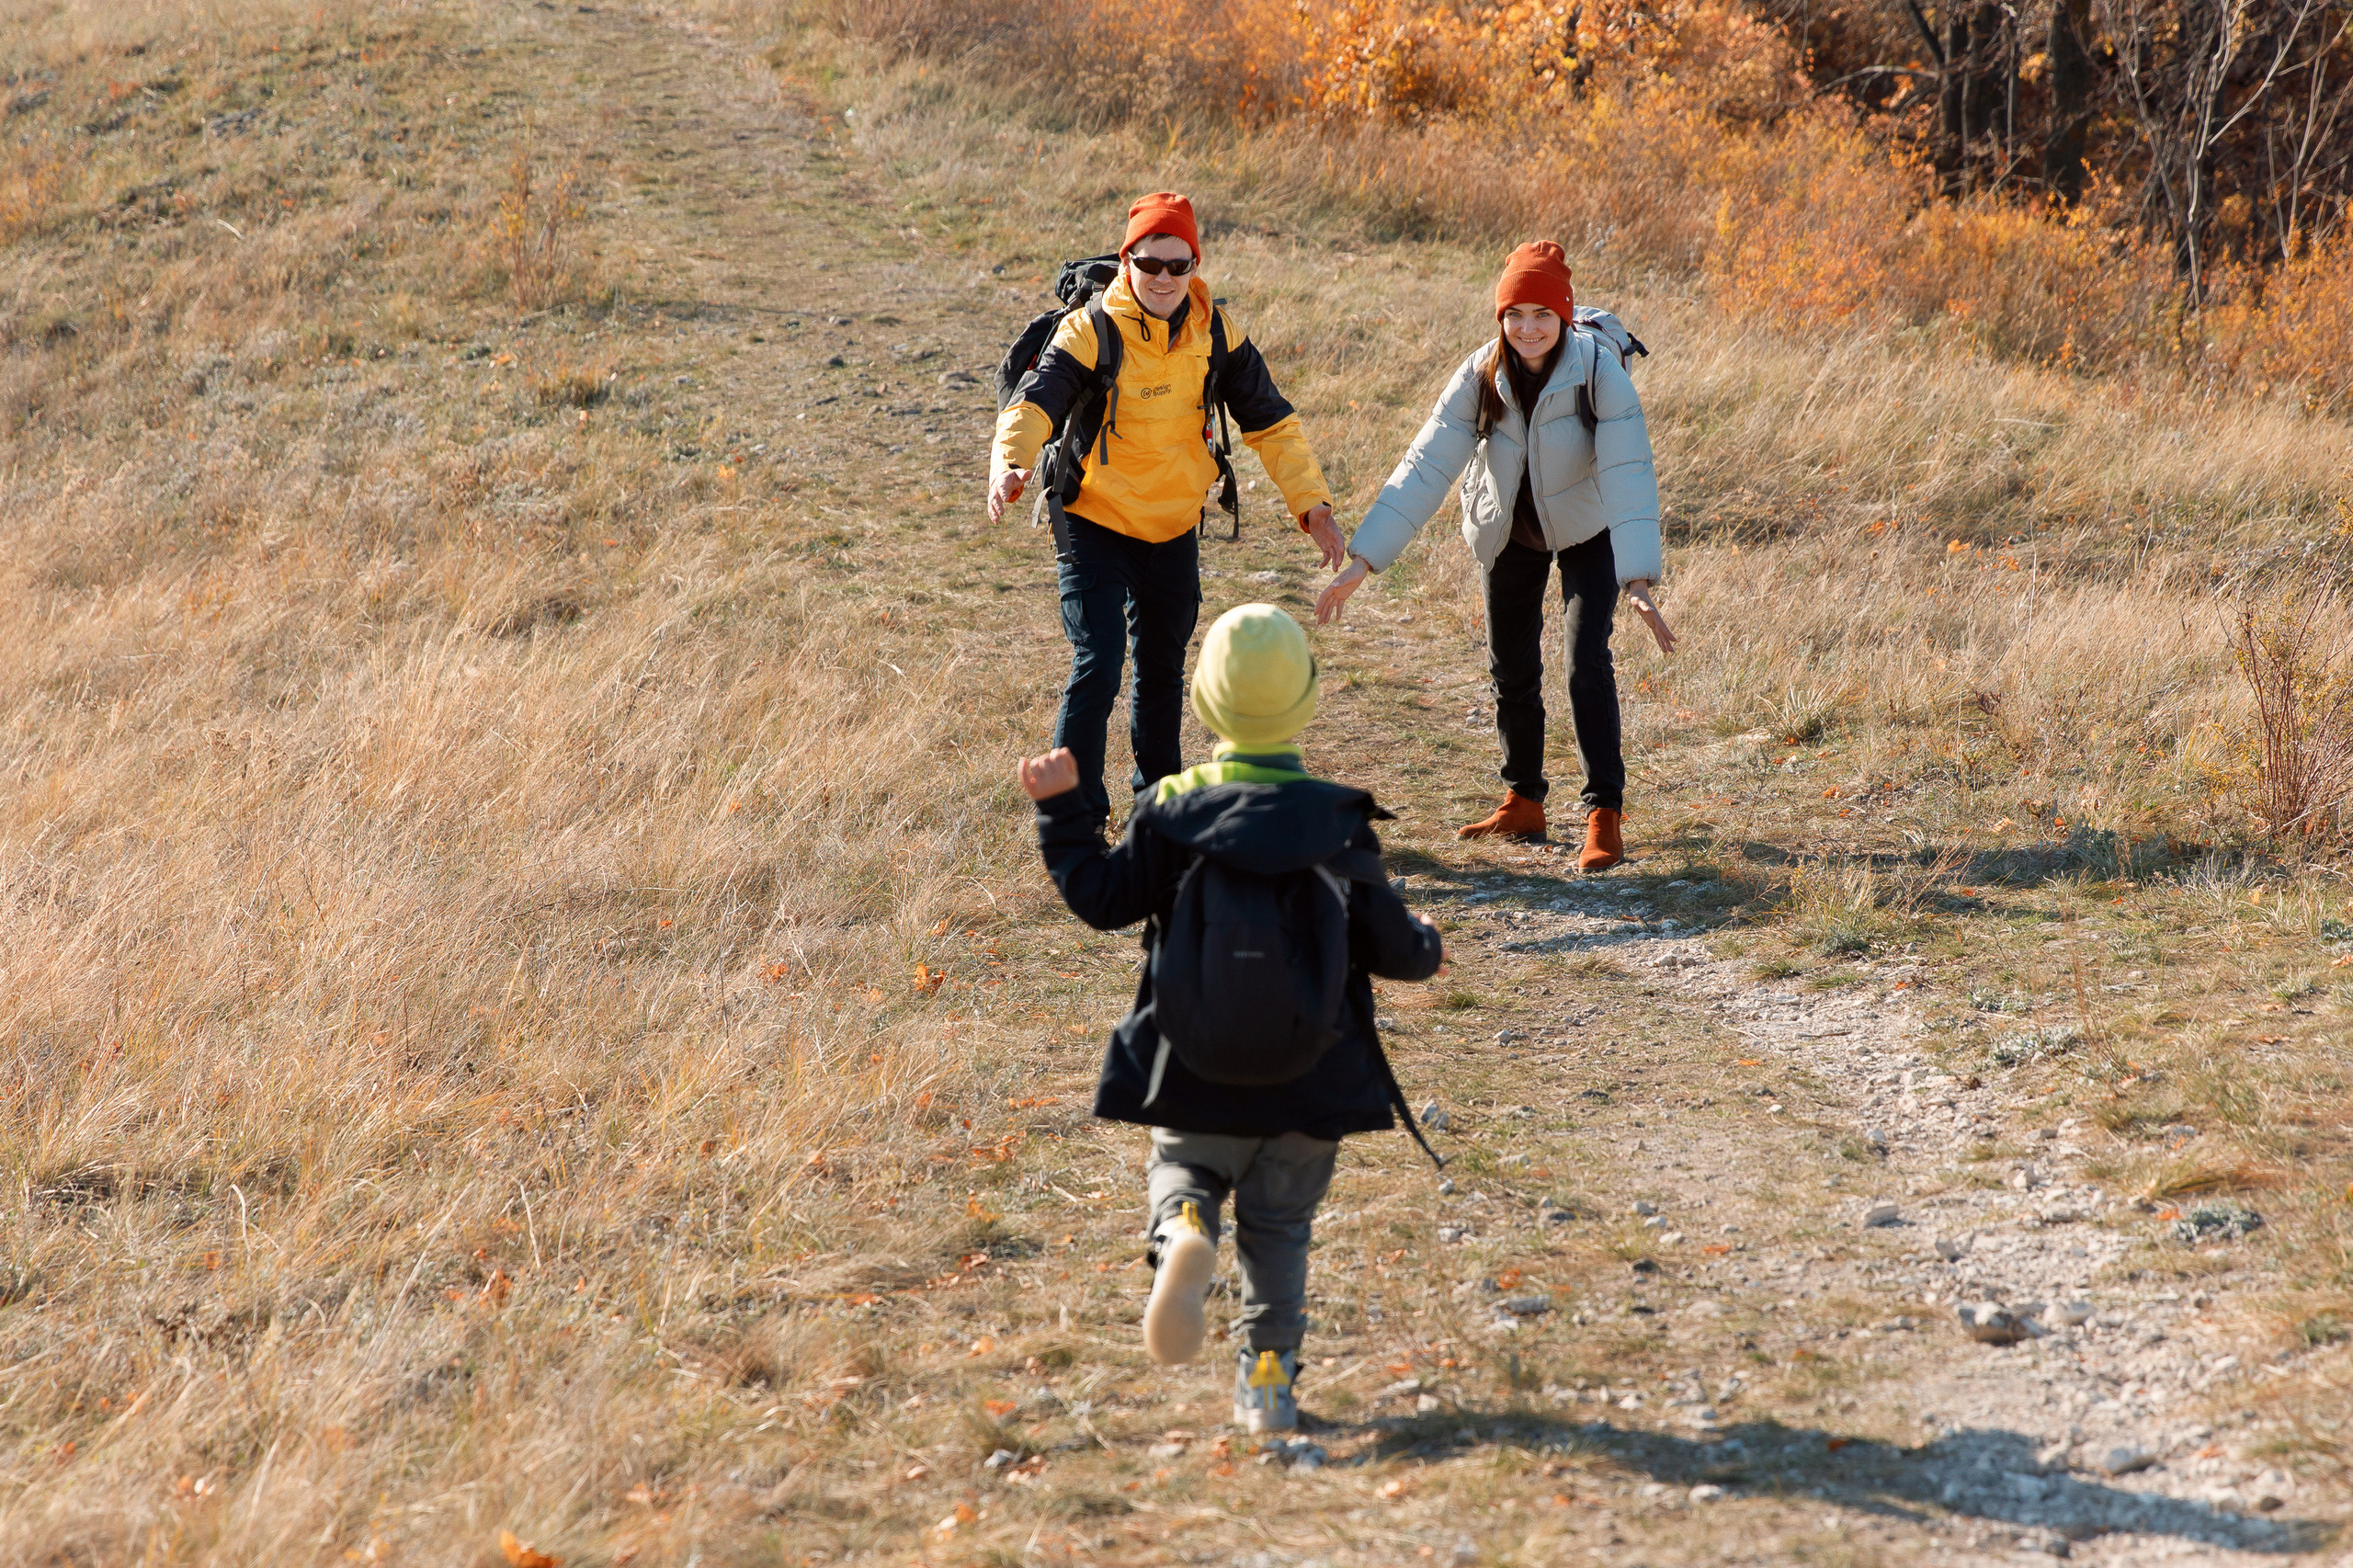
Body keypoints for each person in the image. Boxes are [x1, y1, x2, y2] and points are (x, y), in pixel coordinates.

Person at [1017, 604, 1444, 1432]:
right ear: (1310, 701)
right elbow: (1395, 949)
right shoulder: (1339, 820)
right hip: (1310, 1081)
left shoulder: (1171, 809)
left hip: (1192, 1072)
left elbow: (1103, 900)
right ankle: (1270, 1384)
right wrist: (1428, 945)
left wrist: (1062, 815)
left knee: (1182, 1169)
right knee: (1280, 1235)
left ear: (1204, 706)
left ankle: (1182, 1224)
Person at [1314, 241, 1677, 871]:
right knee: (1511, 662)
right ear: (1500, 318)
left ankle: (1603, 815)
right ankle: (1523, 800)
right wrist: (1362, 562)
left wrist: (1638, 577)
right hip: (1507, 529)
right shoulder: (1481, 373)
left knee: (1583, 661)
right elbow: (1425, 466)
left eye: (1542, 313)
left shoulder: (1598, 372)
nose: (1528, 327)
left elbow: (1629, 473)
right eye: (1515, 314)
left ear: (1563, 316)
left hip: (1587, 527)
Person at [991, 191, 1345, 834]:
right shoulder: (1091, 329)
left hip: (1173, 525)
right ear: (1127, 260)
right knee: (1098, 664)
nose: (1163, 279)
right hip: (1093, 519)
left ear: (1195, 266)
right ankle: (1075, 816)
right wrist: (1008, 465)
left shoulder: (1216, 332)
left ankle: (1157, 809)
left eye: (1178, 267)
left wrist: (1312, 506)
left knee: (1161, 667)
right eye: (1150, 263)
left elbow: (1272, 423)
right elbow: (1036, 403)